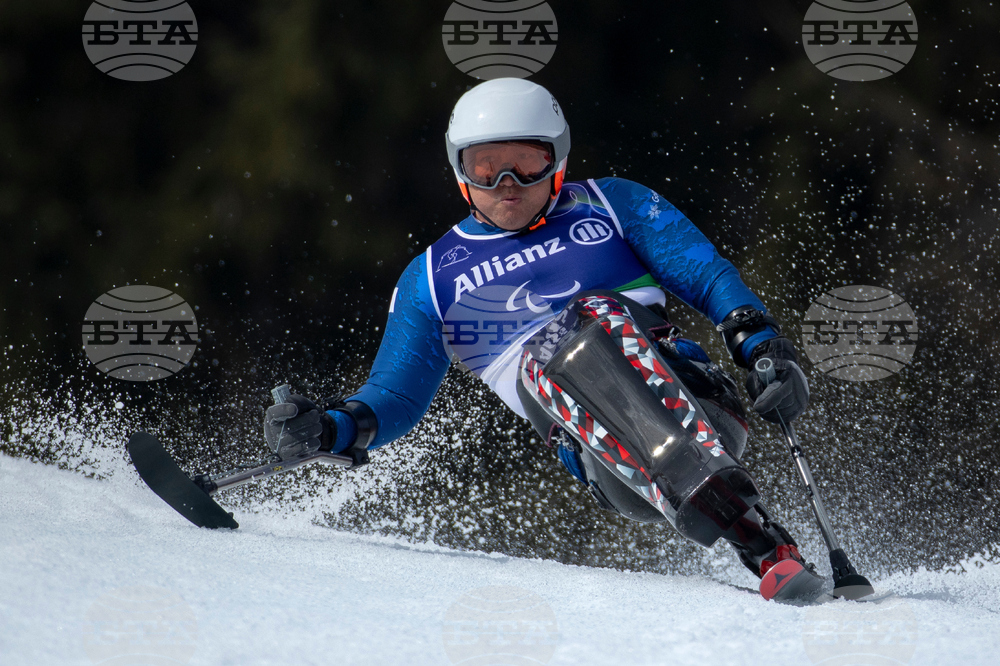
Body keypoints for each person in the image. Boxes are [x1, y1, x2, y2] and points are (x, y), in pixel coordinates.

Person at [264, 78, 821, 601]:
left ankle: (759, 541)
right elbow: (395, 396)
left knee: (584, 318)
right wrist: (331, 427)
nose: (507, 184)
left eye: (526, 164)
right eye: (486, 168)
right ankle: (751, 532)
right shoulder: (431, 279)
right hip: (613, 465)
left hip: (699, 406)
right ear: (461, 173)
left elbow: (708, 277)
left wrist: (763, 348)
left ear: (557, 161)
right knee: (548, 351)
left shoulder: (611, 204)